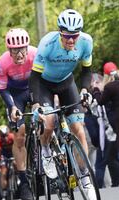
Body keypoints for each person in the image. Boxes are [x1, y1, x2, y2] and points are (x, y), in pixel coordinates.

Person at [28, 9, 93, 187]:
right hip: (44, 85)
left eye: (75, 36)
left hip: (66, 83)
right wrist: (35, 104)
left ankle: (85, 176)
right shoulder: (47, 44)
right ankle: (46, 150)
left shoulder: (86, 42)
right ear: (59, 33)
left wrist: (85, 89)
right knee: (48, 123)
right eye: (66, 36)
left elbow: (87, 70)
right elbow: (34, 76)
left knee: (78, 129)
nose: (71, 40)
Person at [0, 28, 35, 200]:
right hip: (15, 96)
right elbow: (3, 90)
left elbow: (46, 79)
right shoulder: (2, 63)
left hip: (34, 89)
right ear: (9, 50)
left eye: (22, 49)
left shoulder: (36, 54)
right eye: (15, 50)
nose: (19, 54)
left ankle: (49, 155)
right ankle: (25, 183)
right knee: (19, 135)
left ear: (27, 47)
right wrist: (12, 107)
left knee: (49, 118)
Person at [0, 125, 14, 200]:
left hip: (13, 153)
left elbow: (17, 147)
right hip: (4, 155)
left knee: (16, 164)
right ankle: (4, 191)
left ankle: (18, 176)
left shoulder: (12, 137)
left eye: (6, 135)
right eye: (3, 136)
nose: (5, 138)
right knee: (3, 173)